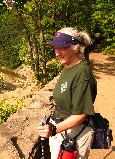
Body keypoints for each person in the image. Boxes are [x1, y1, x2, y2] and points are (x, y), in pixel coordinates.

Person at [37, 27, 97, 159]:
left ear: (76, 48)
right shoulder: (68, 66)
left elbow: (81, 114)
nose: (57, 53)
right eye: (55, 48)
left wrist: (53, 130)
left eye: (62, 48)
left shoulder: (82, 74)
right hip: (61, 130)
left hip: (74, 134)